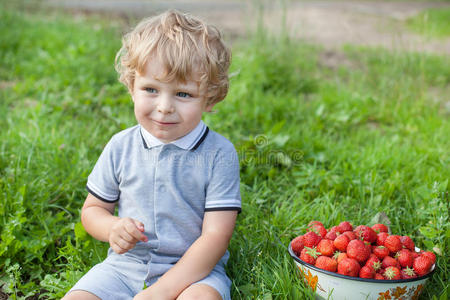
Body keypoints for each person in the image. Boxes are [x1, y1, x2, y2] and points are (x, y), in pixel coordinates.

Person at [62, 10, 241, 300]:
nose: (165, 106)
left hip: (194, 272)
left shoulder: (218, 154)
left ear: (210, 97)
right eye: (151, 89)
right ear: (131, 87)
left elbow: (215, 237)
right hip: (125, 267)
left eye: (183, 94)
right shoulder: (120, 146)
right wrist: (113, 228)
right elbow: (92, 211)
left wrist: (159, 293)